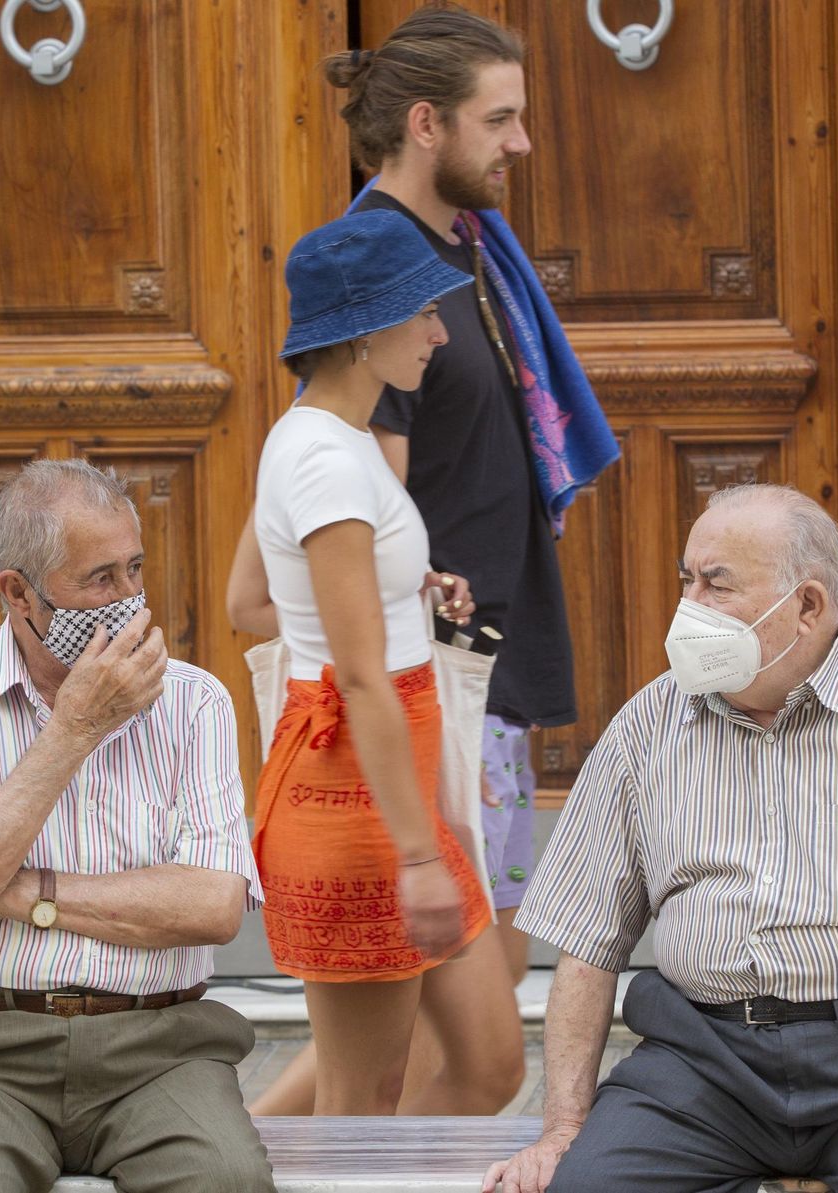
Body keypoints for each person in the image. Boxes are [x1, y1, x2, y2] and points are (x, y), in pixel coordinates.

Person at [243, 2, 619, 1116]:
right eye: (498, 119)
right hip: (422, 706)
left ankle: (239, 1152)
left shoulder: (461, 256)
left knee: (475, 1010)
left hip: (467, 670)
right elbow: (333, 513)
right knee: (423, 1032)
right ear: (423, 124)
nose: (521, 143)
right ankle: (244, 1155)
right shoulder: (382, 285)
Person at [485, 484, 838, 1193]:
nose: (688, 606)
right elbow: (585, 948)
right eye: (687, 579)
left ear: (809, 606)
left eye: (717, 584)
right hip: (705, 1062)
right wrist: (562, 1131)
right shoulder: (647, 726)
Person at [0, 459, 273, 1193]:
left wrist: (15, 891)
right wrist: (74, 729)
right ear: (17, 592)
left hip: (158, 1048)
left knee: (228, 1180)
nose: (128, 600)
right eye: (99, 580)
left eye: (135, 570)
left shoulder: (195, 701)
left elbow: (213, 907)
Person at [226, 207, 525, 1116]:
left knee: (489, 1063)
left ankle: (232, 1174)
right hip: (357, 804)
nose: (439, 332)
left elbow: (253, 603)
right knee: (360, 1103)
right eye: (422, 313)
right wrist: (416, 856)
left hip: (386, 787)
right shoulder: (325, 461)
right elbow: (356, 676)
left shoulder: (326, 441)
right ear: (363, 332)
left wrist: (403, 593)